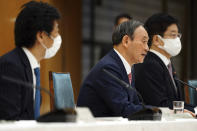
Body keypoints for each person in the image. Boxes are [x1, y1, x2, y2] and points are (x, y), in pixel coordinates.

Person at [0, 1, 61, 120]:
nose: (58, 38)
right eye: (56, 32)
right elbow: (9, 121)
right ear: (41, 36)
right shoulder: (10, 66)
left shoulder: (32, 67)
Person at [77, 20, 149, 117]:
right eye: (144, 41)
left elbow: (135, 104)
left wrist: (156, 110)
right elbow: (123, 109)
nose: (147, 48)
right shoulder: (109, 68)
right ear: (126, 41)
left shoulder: (127, 67)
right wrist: (157, 111)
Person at [134, 13, 196, 112]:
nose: (177, 40)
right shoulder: (149, 65)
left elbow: (176, 103)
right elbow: (160, 105)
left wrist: (194, 109)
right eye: (173, 35)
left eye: (178, 35)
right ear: (156, 39)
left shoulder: (166, 64)